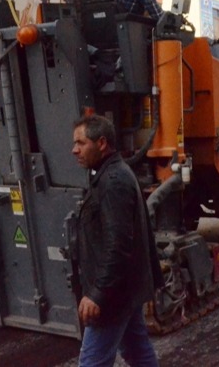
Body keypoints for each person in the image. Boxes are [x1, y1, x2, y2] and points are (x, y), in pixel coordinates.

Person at [71, 114, 162, 367]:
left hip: (112, 295)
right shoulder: (113, 174)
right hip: (124, 288)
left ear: (101, 143)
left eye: (81, 143)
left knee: (92, 363)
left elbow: (118, 245)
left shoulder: (113, 182)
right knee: (137, 351)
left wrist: (97, 294)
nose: (74, 149)